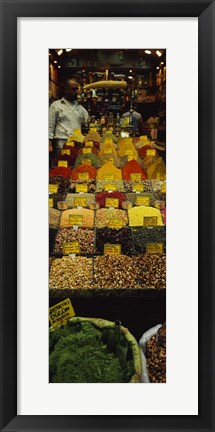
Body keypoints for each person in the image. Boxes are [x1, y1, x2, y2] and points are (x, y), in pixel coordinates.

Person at [49, 79, 89, 154]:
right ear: (66, 90)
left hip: (77, 144)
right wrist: (49, 144)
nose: (77, 92)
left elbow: (87, 124)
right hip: (61, 143)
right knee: (62, 163)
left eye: (77, 89)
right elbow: (50, 126)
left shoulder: (80, 108)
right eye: (74, 89)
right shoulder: (56, 105)